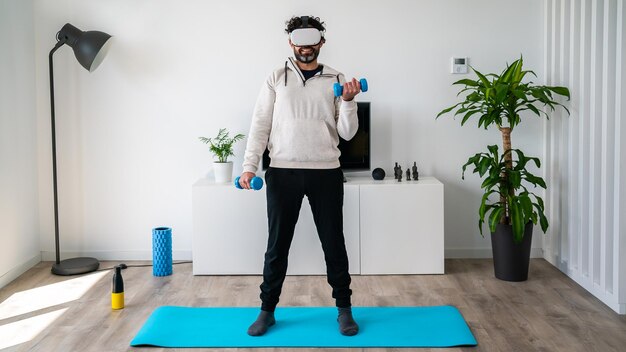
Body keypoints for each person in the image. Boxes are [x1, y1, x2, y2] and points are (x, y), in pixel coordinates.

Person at [238, 15, 362, 337]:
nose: (305, 48)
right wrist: (249, 167)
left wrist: (348, 101)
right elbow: (260, 125)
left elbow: (348, 134)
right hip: (282, 171)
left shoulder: (337, 77)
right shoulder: (276, 77)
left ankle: (344, 310)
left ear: (321, 41)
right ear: (291, 42)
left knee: (334, 243)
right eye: (299, 42)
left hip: (326, 172)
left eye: (311, 41)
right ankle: (267, 311)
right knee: (277, 246)